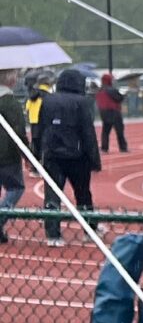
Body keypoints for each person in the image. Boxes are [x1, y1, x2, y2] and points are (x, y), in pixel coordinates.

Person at [38, 66, 101, 245]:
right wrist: (94, 159)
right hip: (77, 156)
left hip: (52, 155)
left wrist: (38, 153)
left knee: (52, 196)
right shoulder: (83, 102)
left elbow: (41, 129)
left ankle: (53, 235)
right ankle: (90, 230)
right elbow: (88, 132)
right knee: (82, 194)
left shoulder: (47, 100)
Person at [0, 75, 27, 240]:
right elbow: (19, 131)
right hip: (7, 154)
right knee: (16, 188)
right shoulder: (10, 103)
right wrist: (28, 154)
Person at [94, 73, 128, 153]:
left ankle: (104, 148)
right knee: (119, 131)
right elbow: (119, 98)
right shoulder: (111, 90)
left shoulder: (100, 90)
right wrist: (124, 95)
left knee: (105, 131)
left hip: (103, 113)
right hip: (114, 112)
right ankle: (123, 147)